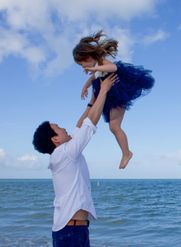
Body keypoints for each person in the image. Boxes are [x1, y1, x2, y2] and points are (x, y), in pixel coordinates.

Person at [32, 74, 117, 246]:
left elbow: (81, 124)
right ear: (55, 140)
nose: (64, 128)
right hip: (72, 232)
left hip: (72, 230)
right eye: (59, 128)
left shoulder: (63, 154)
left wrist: (93, 100)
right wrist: (104, 91)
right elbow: (89, 123)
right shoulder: (65, 154)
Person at [73, 30, 155, 169]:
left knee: (114, 127)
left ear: (89, 57)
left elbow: (113, 67)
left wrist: (96, 68)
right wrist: (85, 87)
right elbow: (94, 77)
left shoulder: (101, 62)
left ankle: (126, 153)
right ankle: (126, 153)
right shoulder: (95, 67)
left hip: (118, 93)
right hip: (108, 96)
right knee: (113, 127)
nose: (83, 67)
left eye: (82, 63)